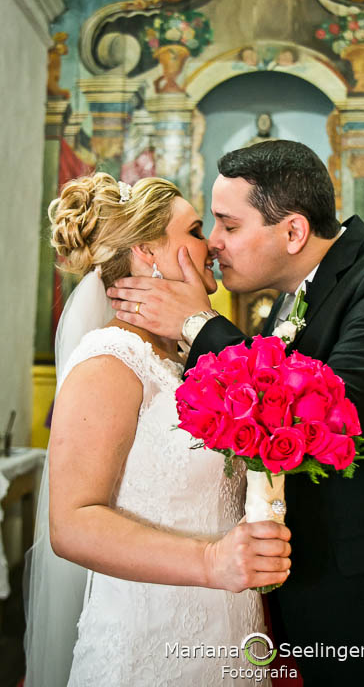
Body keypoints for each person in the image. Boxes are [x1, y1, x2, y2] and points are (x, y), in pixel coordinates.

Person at [108, 140, 364, 686]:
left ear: (293, 232)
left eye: (228, 225)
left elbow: (332, 415)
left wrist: (199, 326)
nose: (213, 242)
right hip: (334, 602)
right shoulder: (282, 307)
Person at [24, 173, 291, 687]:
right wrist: (211, 562)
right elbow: (73, 524)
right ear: (147, 251)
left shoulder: (185, 361)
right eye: (195, 230)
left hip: (228, 635)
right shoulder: (109, 359)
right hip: (148, 648)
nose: (213, 244)